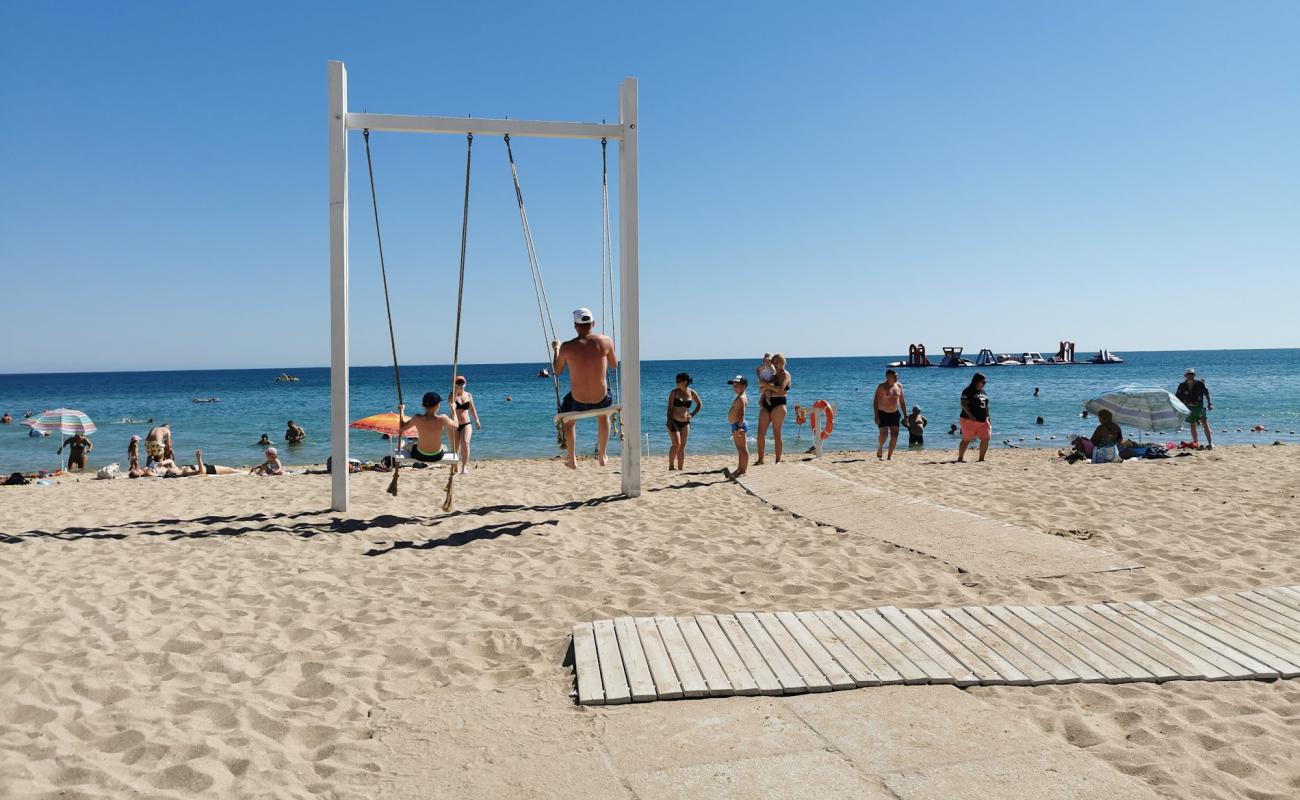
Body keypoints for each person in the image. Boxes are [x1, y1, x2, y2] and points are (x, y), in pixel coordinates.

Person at [551, 307, 618, 469]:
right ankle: (602, 455)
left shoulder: (567, 347)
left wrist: (556, 350)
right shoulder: (606, 341)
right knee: (603, 415)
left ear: (575, 326)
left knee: (568, 420)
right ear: (593, 323)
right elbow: (614, 365)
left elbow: (557, 371)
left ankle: (572, 459)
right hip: (600, 398)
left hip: (578, 400)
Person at [398, 391, 459, 463]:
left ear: (423, 405)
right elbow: (456, 426)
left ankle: (402, 446)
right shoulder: (443, 418)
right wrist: (454, 410)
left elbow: (402, 427)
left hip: (420, 455)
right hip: (437, 456)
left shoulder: (417, 418)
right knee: (443, 446)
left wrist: (401, 411)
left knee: (412, 445)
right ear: (438, 406)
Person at [756, 353, 791, 465]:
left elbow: (781, 390)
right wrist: (763, 396)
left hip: (779, 404)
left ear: (784, 362)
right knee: (760, 432)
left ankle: (778, 460)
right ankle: (761, 459)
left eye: (778, 361)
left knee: (777, 433)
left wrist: (767, 386)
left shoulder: (785, 375)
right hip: (766, 403)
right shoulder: (773, 375)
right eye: (774, 361)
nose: (776, 364)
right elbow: (762, 388)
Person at [665, 372, 702, 471]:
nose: (676, 382)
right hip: (673, 421)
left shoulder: (692, 392)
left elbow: (699, 404)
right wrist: (668, 421)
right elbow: (669, 408)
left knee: (682, 446)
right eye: (676, 380)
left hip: (685, 422)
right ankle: (671, 466)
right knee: (676, 444)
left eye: (679, 381)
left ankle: (680, 469)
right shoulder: (674, 392)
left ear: (685, 381)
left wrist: (692, 414)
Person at [873, 368, 907, 460]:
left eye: (896, 375)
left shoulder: (899, 386)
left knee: (895, 435)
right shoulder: (881, 386)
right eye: (894, 376)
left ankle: (889, 456)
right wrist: (876, 416)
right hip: (882, 413)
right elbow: (875, 402)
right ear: (888, 377)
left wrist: (905, 416)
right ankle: (880, 447)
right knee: (884, 435)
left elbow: (902, 402)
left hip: (895, 413)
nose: (897, 377)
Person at [958, 372, 991, 463]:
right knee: (966, 440)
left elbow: (986, 406)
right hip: (968, 420)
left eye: (985, 382)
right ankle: (960, 458)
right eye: (983, 382)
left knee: (986, 438)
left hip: (983, 420)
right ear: (976, 381)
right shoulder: (967, 391)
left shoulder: (983, 392)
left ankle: (981, 459)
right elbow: (963, 404)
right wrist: (970, 415)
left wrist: (988, 418)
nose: (984, 384)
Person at [1176, 368, 1213, 449]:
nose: (1190, 376)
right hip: (1188, 408)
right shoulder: (1182, 386)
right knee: (1193, 425)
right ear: (1185, 376)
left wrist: (1210, 403)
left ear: (1194, 375)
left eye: (1192, 374)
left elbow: (1207, 393)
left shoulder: (1200, 383)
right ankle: (1196, 443)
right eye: (1188, 374)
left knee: (1205, 423)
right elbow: (1177, 398)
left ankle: (1210, 443)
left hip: (1199, 407)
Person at [451, 375, 482, 474]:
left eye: (462, 382)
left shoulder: (468, 395)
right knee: (455, 447)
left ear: (465, 383)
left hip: (466, 423)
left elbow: (472, 408)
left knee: (465, 443)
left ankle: (464, 467)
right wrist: (455, 393)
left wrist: (476, 420)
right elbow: (451, 405)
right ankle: (455, 466)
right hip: (454, 424)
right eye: (458, 382)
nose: (461, 384)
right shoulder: (452, 395)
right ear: (454, 384)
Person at [723, 375, 750, 480]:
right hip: (735, 424)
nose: (734, 387)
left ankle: (744, 470)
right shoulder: (739, 396)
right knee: (739, 448)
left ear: (743, 386)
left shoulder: (742, 398)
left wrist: (739, 427)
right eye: (733, 385)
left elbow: (742, 413)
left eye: (737, 385)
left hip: (739, 425)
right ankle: (740, 468)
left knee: (743, 448)